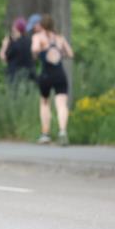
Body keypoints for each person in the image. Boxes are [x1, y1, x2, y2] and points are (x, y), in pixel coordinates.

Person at [32, 14, 75, 146]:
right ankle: (62, 132)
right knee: (61, 104)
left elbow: (34, 50)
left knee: (45, 103)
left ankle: (45, 134)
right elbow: (71, 53)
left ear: (42, 25)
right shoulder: (60, 38)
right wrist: (60, 53)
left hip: (46, 75)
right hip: (60, 74)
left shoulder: (38, 37)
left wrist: (40, 52)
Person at [0, 17, 35, 85]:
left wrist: (4, 45)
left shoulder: (14, 44)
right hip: (29, 75)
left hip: (14, 76)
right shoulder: (29, 41)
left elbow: (3, 58)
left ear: (16, 28)